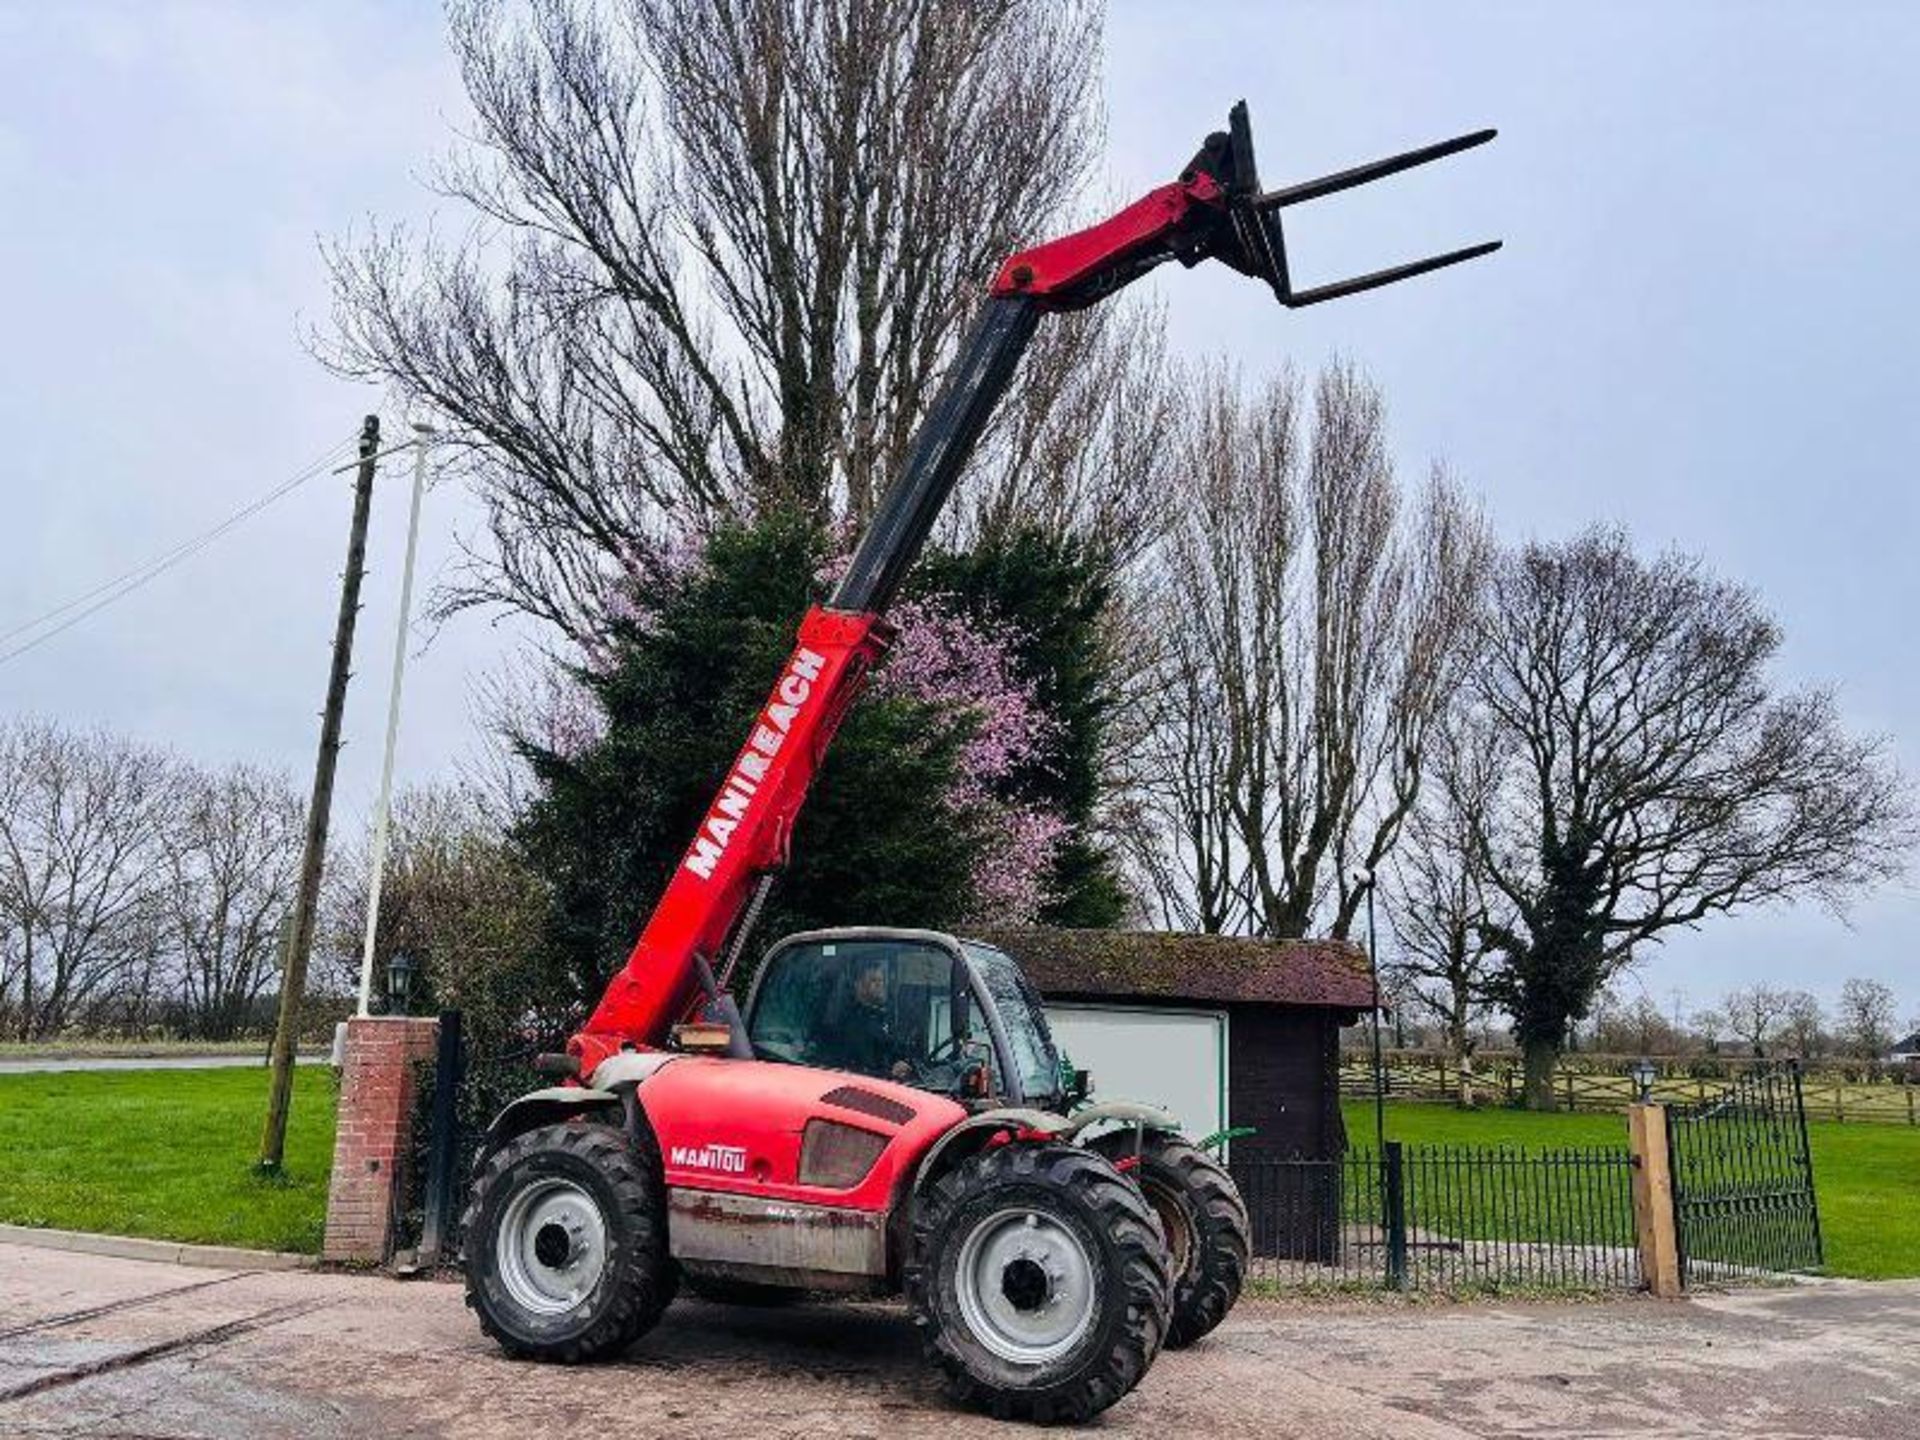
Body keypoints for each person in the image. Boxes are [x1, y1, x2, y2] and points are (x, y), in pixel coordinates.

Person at [836, 956, 912, 1081]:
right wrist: (891, 1073)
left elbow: (892, 1047)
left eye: (881, 980)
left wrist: (903, 1061)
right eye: (873, 981)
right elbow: (863, 1071)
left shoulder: (883, 1015)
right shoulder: (855, 1025)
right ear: (858, 986)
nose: (880, 985)